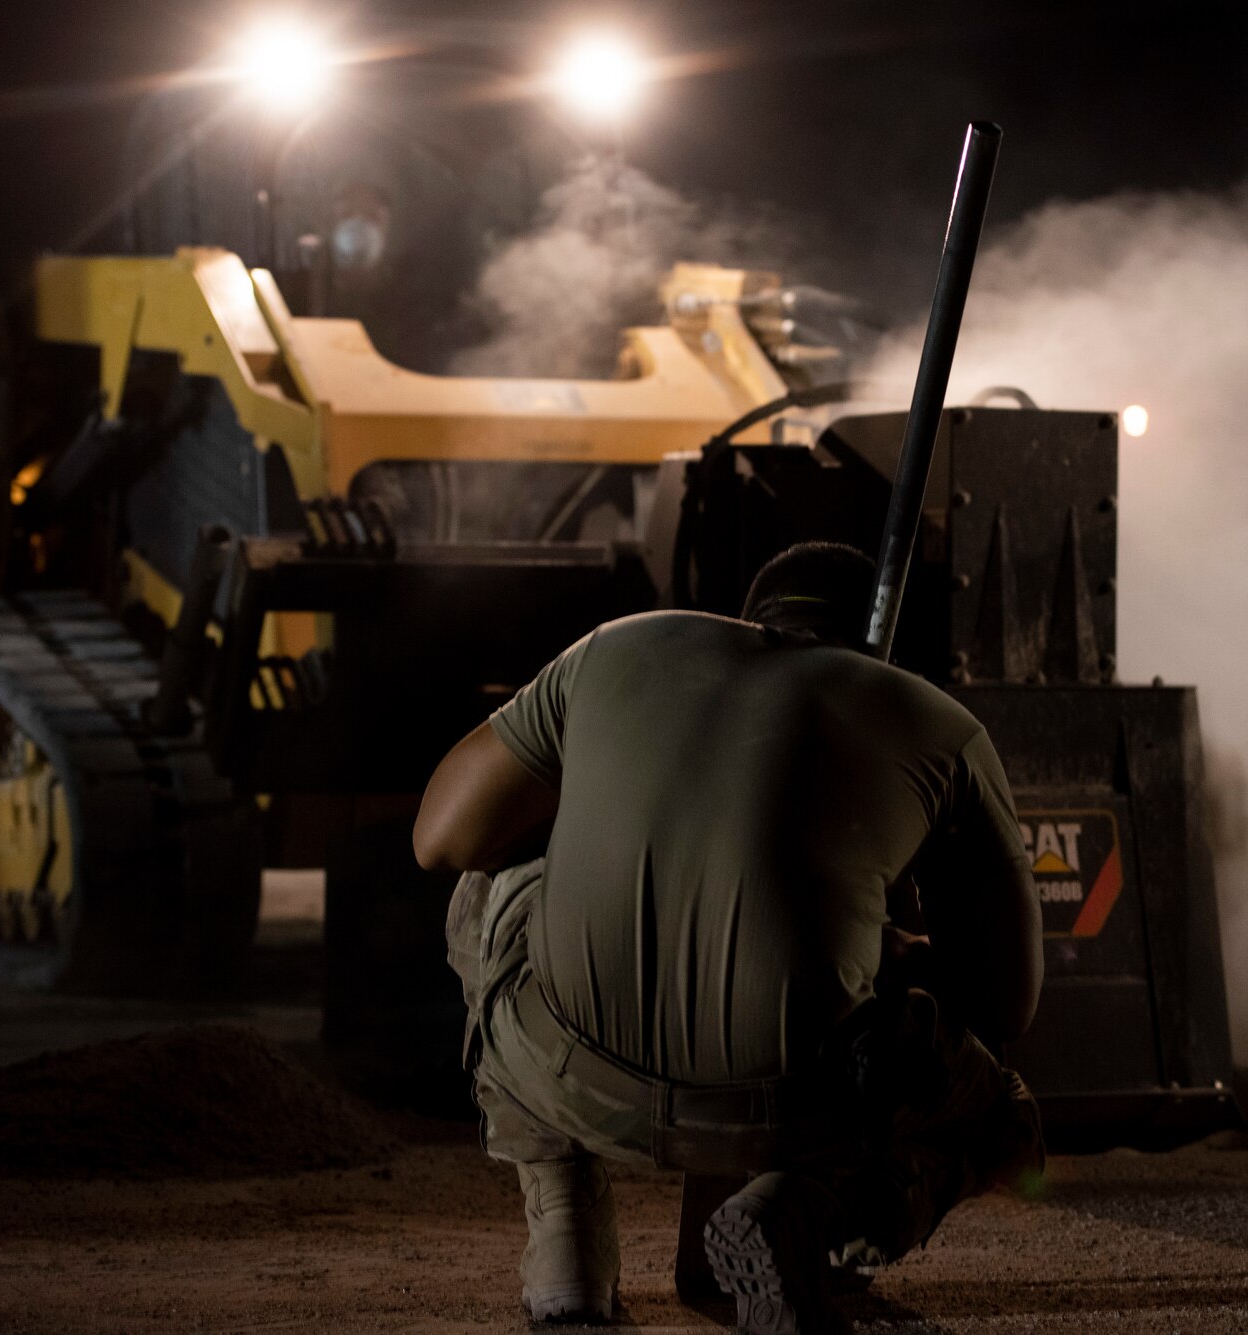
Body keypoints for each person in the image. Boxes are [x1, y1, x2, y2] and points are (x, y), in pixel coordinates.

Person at [415, 541, 1045, 1334]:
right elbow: (1006, 1000)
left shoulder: (619, 645)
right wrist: (886, 949)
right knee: (1002, 1117)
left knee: (492, 878)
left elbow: (438, 839)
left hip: (568, 1074)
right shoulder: (942, 728)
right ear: (892, 650)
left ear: (751, 621)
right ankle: (809, 1207)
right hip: (795, 1106)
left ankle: (565, 1240)